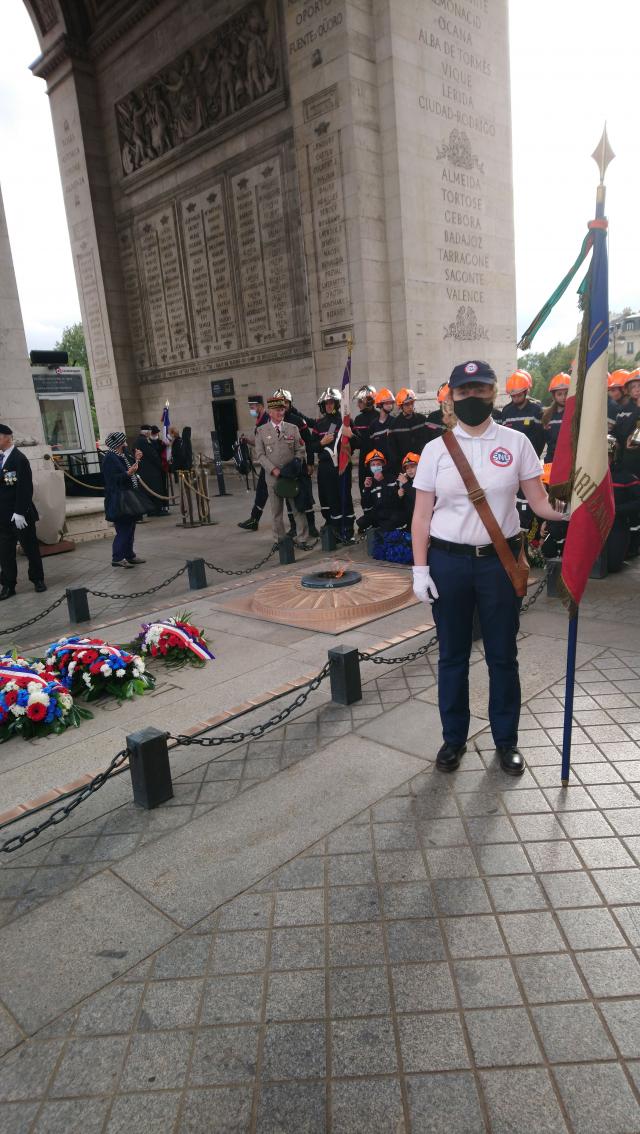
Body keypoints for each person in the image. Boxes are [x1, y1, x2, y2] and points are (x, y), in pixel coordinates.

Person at [411, 360, 569, 777]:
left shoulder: (516, 443)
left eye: (481, 390)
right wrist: (420, 569)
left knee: (503, 656)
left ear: (493, 394)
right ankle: (453, 739)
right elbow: (422, 516)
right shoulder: (435, 449)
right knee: (453, 658)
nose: (473, 398)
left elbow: (538, 502)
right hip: (448, 563)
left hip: (498, 564)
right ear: (452, 397)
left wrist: (573, 511)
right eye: (465, 392)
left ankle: (505, 741)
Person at [254, 395, 313, 549]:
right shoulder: (261, 431)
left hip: (291, 477)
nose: (281, 412)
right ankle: (279, 540)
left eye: (282, 409)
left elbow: (301, 450)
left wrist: (295, 464)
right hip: (273, 478)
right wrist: (273, 470)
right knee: (276, 511)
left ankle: (302, 539)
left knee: (297, 509)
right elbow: (260, 455)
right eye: (277, 410)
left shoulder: (292, 428)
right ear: (270, 412)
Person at [0, 424, 46, 599]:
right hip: (3, 515)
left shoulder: (19, 459)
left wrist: (19, 511)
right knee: (5, 552)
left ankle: (38, 579)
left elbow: (25, 488)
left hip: (20, 514)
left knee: (30, 548)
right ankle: (8, 584)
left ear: (7, 437)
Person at [272, 387, 319, 538]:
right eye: (280, 402)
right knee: (288, 496)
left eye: (285, 402)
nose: (283, 405)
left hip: (300, 465)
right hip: (284, 468)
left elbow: (309, 442)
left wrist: (310, 462)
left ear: (290, 403)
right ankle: (293, 527)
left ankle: (311, 526)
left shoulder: (298, 421)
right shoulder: (273, 422)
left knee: (305, 495)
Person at [312, 387, 355, 542]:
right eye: (326, 403)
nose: (329, 406)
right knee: (331, 499)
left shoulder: (346, 421)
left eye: (331, 403)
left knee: (345, 497)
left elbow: (356, 443)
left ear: (337, 404)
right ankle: (336, 530)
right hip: (326, 468)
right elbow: (312, 447)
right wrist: (321, 442)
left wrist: (350, 434)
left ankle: (348, 529)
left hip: (343, 466)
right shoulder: (319, 425)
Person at [102, 431, 147, 568]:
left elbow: (131, 467)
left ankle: (129, 555)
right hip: (118, 498)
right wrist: (127, 473)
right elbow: (112, 480)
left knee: (130, 526)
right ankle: (117, 557)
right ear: (118, 443)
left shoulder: (122, 454)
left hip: (128, 495)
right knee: (123, 528)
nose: (126, 442)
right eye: (124, 441)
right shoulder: (110, 458)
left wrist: (137, 458)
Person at [238, 395, 270, 531]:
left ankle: (254, 520)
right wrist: (247, 440)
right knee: (262, 491)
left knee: (267, 491)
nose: (251, 410)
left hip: (270, 462)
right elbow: (259, 441)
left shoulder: (266, 420)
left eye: (252, 407)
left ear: (260, 406)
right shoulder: (260, 421)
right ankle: (254, 519)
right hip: (265, 462)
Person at [387, 388, 432, 472]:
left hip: (423, 464)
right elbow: (392, 449)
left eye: (412, 403)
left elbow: (428, 441)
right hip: (405, 467)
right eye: (407, 404)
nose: (410, 407)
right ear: (401, 406)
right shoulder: (394, 425)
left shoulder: (422, 420)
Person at [350, 385, 379, 496]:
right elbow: (358, 443)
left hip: (377, 459)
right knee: (364, 488)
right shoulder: (358, 419)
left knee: (377, 487)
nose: (358, 404)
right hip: (364, 460)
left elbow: (366, 441)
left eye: (360, 401)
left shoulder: (378, 417)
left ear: (369, 401)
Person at [134, 424, 166, 516]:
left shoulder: (139, 440)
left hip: (144, 470)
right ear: (147, 432)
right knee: (154, 489)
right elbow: (153, 455)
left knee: (149, 490)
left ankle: (152, 510)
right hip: (150, 470)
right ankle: (156, 510)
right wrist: (161, 465)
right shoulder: (144, 441)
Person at [542, 372, 570, 464]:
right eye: (559, 394)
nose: (564, 397)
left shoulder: (577, 413)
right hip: (551, 460)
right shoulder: (547, 415)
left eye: (566, 393)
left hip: (571, 460)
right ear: (554, 395)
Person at [368, 387, 395, 463]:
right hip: (379, 463)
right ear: (380, 405)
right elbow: (371, 447)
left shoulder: (394, 422)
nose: (390, 405)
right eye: (387, 403)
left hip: (393, 463)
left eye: (391, 403)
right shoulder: (373, 425)